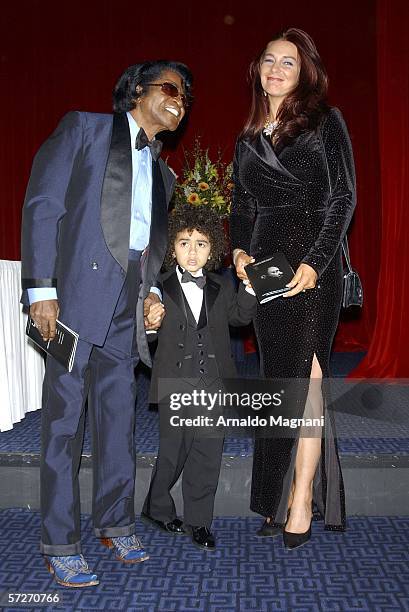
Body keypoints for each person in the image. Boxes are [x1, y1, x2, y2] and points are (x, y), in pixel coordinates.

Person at [20, 60, 192, 587]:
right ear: (137, 90)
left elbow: (154, 249)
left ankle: (115, 521)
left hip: (128, 305)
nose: (180, 100)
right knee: (65, 422)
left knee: (118, 417)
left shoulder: (165, 173)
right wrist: (41, 290)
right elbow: (43, 206)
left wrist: (156, 293)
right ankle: (60, 538)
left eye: (186, 96)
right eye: (170, 88)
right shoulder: (85, 129)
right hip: (72, 299)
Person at [230, 28, 356, 548]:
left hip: (311, 268)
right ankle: (276, 490)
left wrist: (316, 262)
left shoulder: (325, 121)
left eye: (289, 62)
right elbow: (241, 207)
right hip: (266, 271)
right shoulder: (247, 137)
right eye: (269, 60)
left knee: (304, 386)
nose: (276, 68)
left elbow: (342, 198)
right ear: (258, 69)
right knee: (279, 382)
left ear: (305, 72)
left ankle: (301, 497)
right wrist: (238, 251)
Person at [141, 205, 256, 551]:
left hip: (213, 384)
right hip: (174, 384)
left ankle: (199, 522)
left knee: (207, 453)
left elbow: (239, 319)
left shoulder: (221, 285)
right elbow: (146, 333)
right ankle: (157, 506)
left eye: (201, 244)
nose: (192, 252)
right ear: (172, 248)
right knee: (173, 453)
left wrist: (250, 289)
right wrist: (148, 325)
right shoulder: (155, 288)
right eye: (184, 243)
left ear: (214, 249)